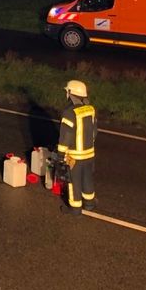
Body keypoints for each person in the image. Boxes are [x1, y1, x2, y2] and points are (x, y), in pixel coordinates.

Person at [58, 79, 97, 215]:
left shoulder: (69, 113)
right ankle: (90, 203)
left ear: (71, 93)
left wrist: (60, 154)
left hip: (75, 156)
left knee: (73, 182)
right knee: (87, 178)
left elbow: (65, 137)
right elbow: (94, 132)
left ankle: (75, 209)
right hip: (89, 154)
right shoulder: (90, 109)